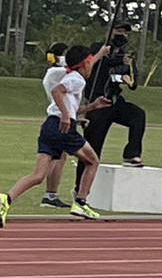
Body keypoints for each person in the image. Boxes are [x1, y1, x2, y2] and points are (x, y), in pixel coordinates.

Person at [1, 45, 111, 227]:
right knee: (92, 161)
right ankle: (81, 202)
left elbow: (71, 106)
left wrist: (92, 106)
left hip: (49, 126)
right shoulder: (77, 79)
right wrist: (67, 116)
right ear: (84, 64)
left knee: (38, 175)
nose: (91, 66)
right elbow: (56, 92)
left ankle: (5, 199)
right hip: (62, 127)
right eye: (90, 63)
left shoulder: (71, 76)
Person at [76, 21, 146, 197]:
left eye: (125, 32)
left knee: (137, 115)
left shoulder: (125, 55)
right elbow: (96, 65)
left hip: (115, 101)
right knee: (92, 148)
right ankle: (79, 189)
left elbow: (133, 79)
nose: (122, 35)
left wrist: (130, 76)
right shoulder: (98, 49)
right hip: (97, 104)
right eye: (119, 31)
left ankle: (131, 154)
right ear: (110, 32)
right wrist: (112, 58)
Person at [39, 42, 72, 209]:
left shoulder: (53, 72)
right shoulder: (57, 72)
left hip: (56, 115)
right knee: (59, 157)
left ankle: (50, 194)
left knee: (55, 156)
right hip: (59, 116)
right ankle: (51, 194)